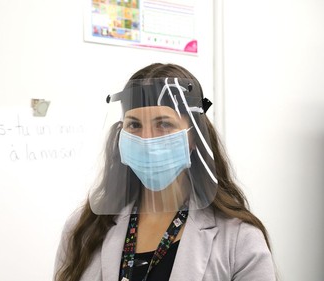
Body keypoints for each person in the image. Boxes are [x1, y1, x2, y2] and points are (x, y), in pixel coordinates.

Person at [54, 63, 276, 281]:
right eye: (134, 125)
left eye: (164, 124)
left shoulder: (239, 239)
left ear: (194, 137)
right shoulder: (83, 229)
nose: (147, 139)